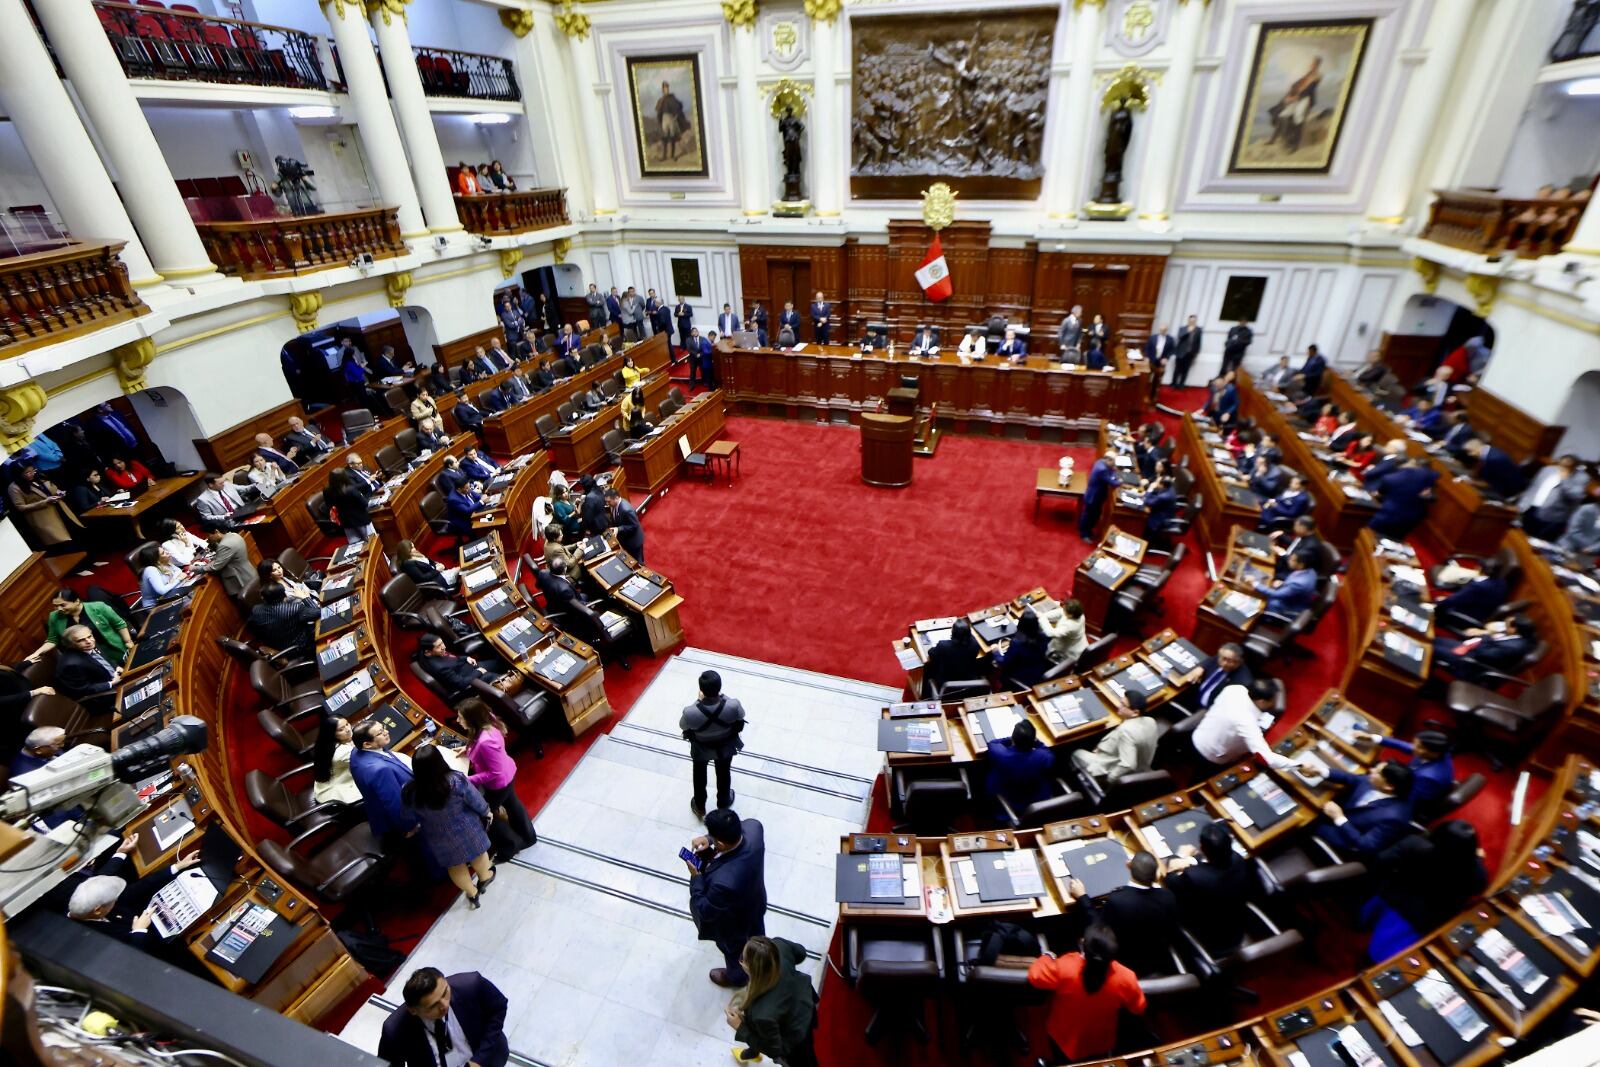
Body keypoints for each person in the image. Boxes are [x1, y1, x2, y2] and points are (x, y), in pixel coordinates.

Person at [1363, 820, 1486, 962]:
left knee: (1378, 949)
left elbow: (1381, 861)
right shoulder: (1476, 872)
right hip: (1431, 917)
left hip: (1400, 904)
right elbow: (1478, 888)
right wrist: (1476, 860)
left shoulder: (1414, 845)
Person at [1028, 925, 1145, 1063]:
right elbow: (1138, 1008)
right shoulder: (1127, 977)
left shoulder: (1064, 967)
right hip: (1100, 1040)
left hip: (1063, 1037)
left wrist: (1047, 956)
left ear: (1082, 945)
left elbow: (1035, 976)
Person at [406, 744, 495, 908]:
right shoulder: (456, 780)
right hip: (467, 828)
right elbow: (475, 800)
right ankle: (485, 876)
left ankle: (471, 893)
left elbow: (411, 815)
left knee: (455, 866)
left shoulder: (410, 791)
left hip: (437, 835)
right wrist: (487, 812)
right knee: (478, 854)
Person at [687, 807, 768, 987]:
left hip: (733, 924)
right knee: (757, 935)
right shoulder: (755, 830)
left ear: (721, 845)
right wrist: (709, 839)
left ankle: (737, 977)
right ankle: (761, 958)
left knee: (734, 952)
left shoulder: (722, 883)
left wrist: (696, 878)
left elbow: (704, 909)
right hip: (755, 903)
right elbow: (746, 826)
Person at [1067, 851, 1178, 977]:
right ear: (1156, 873)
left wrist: (1082, 897)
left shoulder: (1118, 901)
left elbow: (1098, 929)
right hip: (1159, 957)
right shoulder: (1168, 896)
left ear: (1128, 865)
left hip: (1125, 963)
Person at [379, 966, 510, 1067]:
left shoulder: (472, 984)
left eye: (445, 992)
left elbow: (499, 1007)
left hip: (487, 1060)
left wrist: (480, 1059)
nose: (445, 1005)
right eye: (433, 1005)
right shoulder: (394, 1030)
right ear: (413, 1010)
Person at [1164, 821, 1261, 957]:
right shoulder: (1238, 859)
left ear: (1202, 848)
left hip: (1211, 938)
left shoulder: (1195, 877)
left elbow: (1170, 880)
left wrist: (1179, 857)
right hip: (1235, 926)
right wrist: (1194, 860)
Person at [456, 697, 536, 861]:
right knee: (513, 805)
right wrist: (467, 748)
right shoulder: (488, 723)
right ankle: (529, 837)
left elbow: (495, 772)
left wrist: (469, 779)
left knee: (486, 815)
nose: (457, 720)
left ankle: (511, 845)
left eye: (460, 718)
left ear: (472, 720)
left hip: (499, 783)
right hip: (508, 773)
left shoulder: (486, 742)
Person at [727, 936, 819, 1067]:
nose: (741, 961)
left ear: (749, 967)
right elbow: (801, 952)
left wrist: (739, 1027)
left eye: (742, 958)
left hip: (795, 1034)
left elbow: (775, 1049)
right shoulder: (779, 945)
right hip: (804, 1002)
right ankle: (752, 1054)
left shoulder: (762, 1014)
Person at [1190, 679, 1302, 771]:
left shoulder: (1234, 689)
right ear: (1262, 702)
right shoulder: (1247, 722)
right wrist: (1300, 766)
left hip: (1198, 735)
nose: (1274, 703)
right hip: (1211, 757)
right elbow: (1266, 758)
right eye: (1273, 700)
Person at [681, 669, 747, 819]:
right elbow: (740, 716)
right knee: (723, 772)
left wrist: (698, 701)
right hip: (725, 746)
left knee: (699, 775)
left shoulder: (690, 712)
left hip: (701, 748)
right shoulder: (733, 704)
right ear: (720, 687)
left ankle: (699, 806)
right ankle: (723, 802)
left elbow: (683, 726)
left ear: (701, 690)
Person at [1315, 761, 1415, 859]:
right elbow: (1351, 778)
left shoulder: (1394, 818)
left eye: (1377, 772)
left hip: (1346, 841)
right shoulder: (1376, 783)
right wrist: (1319, 771)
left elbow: (1366, 846)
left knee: (1308, 822)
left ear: (1388, 786)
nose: (1371, 770)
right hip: (1335, 819)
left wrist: (1339, 818)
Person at [350, 720, 418, 848]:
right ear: (367, 744)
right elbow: (395, 804)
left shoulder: (357, 751)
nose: (386, 732)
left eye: (383, 728)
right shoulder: (380, 770)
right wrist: (410, 826)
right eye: (380, 733)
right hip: (404, 819)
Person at [27, 588, 132, 665]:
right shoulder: (54, 617)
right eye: (55, 606)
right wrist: (36, 653)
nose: (58, 609)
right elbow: (52, 640)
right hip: (87, 659)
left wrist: (128, 642)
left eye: (63, 605)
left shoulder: (99, 607)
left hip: (111, 650)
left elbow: (119, 624)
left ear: (77, 601)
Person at [1072, 690, 1156, 785]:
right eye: (1121, 702)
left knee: (1076, 753)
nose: (1119, 706)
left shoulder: (1126, 731)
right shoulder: (1150, 720)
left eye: (1123, 705)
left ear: (1135, 712)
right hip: (1142, 766)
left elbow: (1128, 765)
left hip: (1108, 769)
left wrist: (1109, 780)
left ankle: (1079, 782)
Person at [1432, 613, 1538, 684]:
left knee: (1431, 648)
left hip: (1470, 661)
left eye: (1507, 625)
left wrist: (1487, 636)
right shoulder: (1519, 635)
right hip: (1471, 648)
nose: (1504, 626)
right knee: (1436, 640)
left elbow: (1483, 653)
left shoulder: (1512, 647)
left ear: (1514, 629)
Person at [986, 720, 1055, 821]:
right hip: (1038, 800)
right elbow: (1044, 749)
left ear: (1013, 738)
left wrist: (1012, 739)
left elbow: (992, 743)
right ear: (1033, 740)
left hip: (1010, 799)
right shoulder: (1044, 757)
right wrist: (1034, 741)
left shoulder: (1000, 754)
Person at [8, 464, 81, 550]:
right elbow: (21, 507)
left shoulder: (40, 477)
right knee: (64, 544)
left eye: (33, 471)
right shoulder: (14, 488)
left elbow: (53, 489)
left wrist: (59, 493)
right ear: (18, 474)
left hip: (61, 509)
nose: (32, 474)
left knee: (76, 534)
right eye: (27, 473)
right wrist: (45, 502)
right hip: (45, 519)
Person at [417, 634, 504, 701]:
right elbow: (461, 684)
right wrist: (479, 671)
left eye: (442, 643)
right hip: (470, 681)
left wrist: (466, 658)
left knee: (499, 661)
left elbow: (454, 658)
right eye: (438, 646)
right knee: (497, 677)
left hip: (468, 668)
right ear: (428, 652)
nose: (444, 647)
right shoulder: (440, 667)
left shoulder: (427, 652)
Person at [1368, 458, 1438, 539]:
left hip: (1387, 514)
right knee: (1396, 539)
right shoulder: (1426, 476)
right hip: (1411, 518)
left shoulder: (1389, 478)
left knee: (1371, 537)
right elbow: (1436, 476)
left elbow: (1380, 494)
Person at [53, 624, 122, 706]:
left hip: (116, 678)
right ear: (70, 645)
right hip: (104, 696)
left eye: (89, 636)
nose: (89, 641)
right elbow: (83, 690)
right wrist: (112, 683)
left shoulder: (89, 644)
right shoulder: (71, 665)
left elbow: (106, 660)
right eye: (80, 640)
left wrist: (116, 667)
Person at [1178, 643, 1254, 714]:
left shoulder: (1242, 683)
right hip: (1193, 696)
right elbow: (1211, 660)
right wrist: (1201, 667)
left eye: (1230, 661)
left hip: (1207, 711)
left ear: (1239, 662)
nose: (1224, 663)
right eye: (1223, 658)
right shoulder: (1220, 658)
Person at [1435, 562, 1508, 628]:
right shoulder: (1502, 582)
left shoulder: (1478, 586)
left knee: (1438, 605)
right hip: (1483, 614)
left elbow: (1452, 601)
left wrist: (1438, 604)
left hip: (1464, 617)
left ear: (1479, 569)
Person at [1253, 549, 1318, 616]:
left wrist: (1254, 583)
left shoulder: (1299, 584)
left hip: (1287, 608)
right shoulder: (1310, 571)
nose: (1288, 561)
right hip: (1293, 598)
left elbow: (1276, 594)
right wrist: (1283, 583)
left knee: (1259, 598)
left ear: (1301, 565)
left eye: (1292, 560)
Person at [996, 609, 1051, 688]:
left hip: (1019, 677)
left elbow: (1003, 662)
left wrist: (996, 651)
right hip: (1038, 672)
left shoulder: (1017, 643)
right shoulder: (1043, 636)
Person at [1080, 449, 1123, 542]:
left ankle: (1089, 530)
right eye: (1114, 462)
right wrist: (1119, 481)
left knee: (1095, 514)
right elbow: (1113, 482)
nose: (1114, 465)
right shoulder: (1102, 469)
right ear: (1109, 460)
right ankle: (1084, 534)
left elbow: (1111, 471)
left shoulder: (1101, 462)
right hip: (1093, 497)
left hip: (1097, 496)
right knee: (1089, 515)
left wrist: (1113, 471)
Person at [327, 467, 377, 545]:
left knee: (357, 545)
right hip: (361, 519)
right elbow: (364, 503)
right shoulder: (351, 489)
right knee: (373, 542)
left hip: (346, 522)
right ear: (344, 477)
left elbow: (330, 505)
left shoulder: (327, 491)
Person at [201, 527, 255, 598]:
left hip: (240, 580)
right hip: (249, 573)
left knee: (249, 602)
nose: (208, 538)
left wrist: (196, 568)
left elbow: (215, 567)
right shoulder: (234, 535)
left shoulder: (224, 545)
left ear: (216, 531)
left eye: (208, 535)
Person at [1039, 598, 1087, 667]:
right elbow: (1061, 612)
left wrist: (1042, 618)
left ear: (1071, 615)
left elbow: (1050, 633)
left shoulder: (1071, 626)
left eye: (1065, 610)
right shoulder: (1079, 614)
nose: (1063, 610)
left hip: (1068, 652)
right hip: (1076, 643)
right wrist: (1045, 615)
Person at [136, 544, 187, 608]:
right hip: (155, 606)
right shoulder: (150, 570)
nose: (167, 552)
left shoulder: (164, 562)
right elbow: (162, 591)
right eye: (163, 553)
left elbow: (179, 571)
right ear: (157, 560)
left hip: (168, 596)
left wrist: (173, 580)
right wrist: (178, 579)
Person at [1559, 480, 1600, 557]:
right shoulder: (1587, 509)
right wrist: (1588, 546)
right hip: (1566, 547)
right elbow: (1573, 531)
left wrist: (1592, 549)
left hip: (1585, 556)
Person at [604, 487, 645, 562]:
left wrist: (618, 529)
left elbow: (634, 525)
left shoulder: (626, 510)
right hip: (626, 539)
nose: (607, 504)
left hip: (634, 542)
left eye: (609, 502)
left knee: (637, 562)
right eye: (606, 502)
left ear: (616, 498)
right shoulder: (614, 505)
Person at [1144, 324, 1174, 401]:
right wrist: (1146, 357)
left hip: (1161, 363)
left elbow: (1171, 351)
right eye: (1161, 330)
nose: (1162, 331)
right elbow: (1147, 348)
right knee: (1146, 379)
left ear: (1166, 330)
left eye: (1164, 330)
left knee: (1156, 381)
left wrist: (1166, 358)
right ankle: (1144, 395)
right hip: (1151, 361)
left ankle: (1153, 396)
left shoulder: (1170, 339)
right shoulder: (1152, 338)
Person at [1170, 314, 1202, 387]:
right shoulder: (1182, 328)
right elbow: (1180, 337)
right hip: (1180, 352)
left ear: (1195, 321)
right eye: (1191, 321)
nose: (1192, 322)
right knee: (1177, 369)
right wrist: (1188, 331)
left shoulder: (1198, 330)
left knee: (1186, 370)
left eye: (1194, 321)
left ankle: (1181, 384)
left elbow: (1199, 342)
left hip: (1190, 353)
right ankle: (1174, 383)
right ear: (1188, 320)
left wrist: (1196, 353)